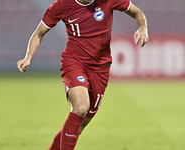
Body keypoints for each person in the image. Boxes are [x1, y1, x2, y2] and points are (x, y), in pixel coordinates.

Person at [17, 0, 149, 149]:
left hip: (101, 68)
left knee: (79, 125)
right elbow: (39, 33)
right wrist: (28, 57)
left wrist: (143, 27)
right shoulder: (61, 5)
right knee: (80, 107)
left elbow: (137, 12)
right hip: (74, 62)